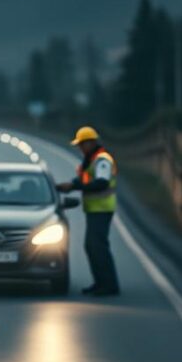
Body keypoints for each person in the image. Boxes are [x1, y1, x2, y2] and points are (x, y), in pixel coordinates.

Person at [56, 126, 120, 296]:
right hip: (94, 209)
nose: (80, 148)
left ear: (91, 143)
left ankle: (109, 285)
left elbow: (101, 183)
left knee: (97, 246)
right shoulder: (91, 160)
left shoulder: (102, 160)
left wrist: (76, 186)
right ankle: (100, 283)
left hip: (102, 208)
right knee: (92, 246)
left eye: (82, 144)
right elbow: (84, 179)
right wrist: (70, 185)